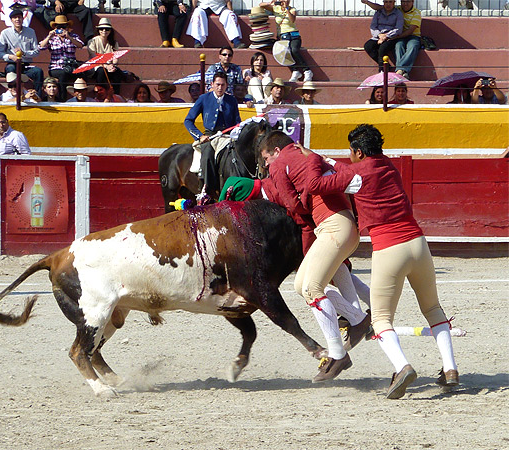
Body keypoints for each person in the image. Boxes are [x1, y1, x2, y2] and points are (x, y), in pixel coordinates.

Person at [305, 124, 459, 398]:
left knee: (380, 318)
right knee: (433, 308)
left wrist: (315, 161)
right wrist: (330, 161)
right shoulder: (389, 166)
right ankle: (450, 369)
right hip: (418, 244)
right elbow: (351, 171)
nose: (349, 156)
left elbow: (315, 185)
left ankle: (402, 367)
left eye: (351, 152)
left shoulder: (356, 173)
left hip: (390, 248)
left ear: (360, 152)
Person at [260, 131, 367, 382]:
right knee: (300, 285)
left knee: (310, 288)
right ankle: (358, 319)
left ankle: (338, 353)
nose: (266, 165)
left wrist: (302, 202)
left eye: (266, 159)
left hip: (332, 226)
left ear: (276, 151)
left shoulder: (279, 165)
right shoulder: (311, 156)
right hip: (344, 225)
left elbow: (293, 205)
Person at [184, 71, 241, 197]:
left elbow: (237, 122)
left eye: (222, 85)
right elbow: (188, 120)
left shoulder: (231, 100)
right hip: (209, 136)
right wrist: (200, 136)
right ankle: (206, 187)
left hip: (227, 136)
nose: (220, 88)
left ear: (226, 86)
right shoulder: (203, 99)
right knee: (208, 152)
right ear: (212, 84)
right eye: (217, 84)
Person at [362, 0, 421, 80]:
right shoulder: (396, 8)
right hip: (390, 36)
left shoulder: (415, 13)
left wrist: (390, 37)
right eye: (403, 1)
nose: (405, 4)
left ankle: (400, 69)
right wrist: (367, 2)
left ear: (413, 2)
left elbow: (410, 31)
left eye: (408, 1)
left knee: (412, 46)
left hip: (411, 35)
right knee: (398, 46)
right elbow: (378, 8)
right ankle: (400, 70)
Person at [259, 0, 312, 82]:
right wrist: (271, 3)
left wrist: (286, 9)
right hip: (283, 35)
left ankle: (307, 70)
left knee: (294, 50)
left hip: (294, 35)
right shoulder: (276, 9)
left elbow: (292, 20)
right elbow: (261, 5)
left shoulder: (292, 9)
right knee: (285, 51)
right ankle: (295, 71)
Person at [0, 9, 44, 96]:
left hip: (25, 64)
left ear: (23, 19)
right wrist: (10, 56)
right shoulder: (5, 33)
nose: (17, 19)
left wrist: (24, 53)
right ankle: (14, 95)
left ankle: (38, 96)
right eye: (15, 18)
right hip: (12, 63)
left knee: (38, 71)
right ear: (11, 20)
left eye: (19, 17)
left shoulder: (30, 32)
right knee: (10, 70)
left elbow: (36, 51)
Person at [38, 15, 84, 102]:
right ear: (55, 28)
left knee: (83, 73)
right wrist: (49, 36)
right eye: (59, 27)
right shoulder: (52, 38)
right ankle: (62, 100)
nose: (61, 29)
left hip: (71, 67)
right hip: (56, 67)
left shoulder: (73, 36)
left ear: (67, 27)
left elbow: (80, 45)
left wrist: (69, 37)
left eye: (64, 26)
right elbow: (40, 47)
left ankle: (81, 99)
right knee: (62, 74)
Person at [87, 18, 126, 94]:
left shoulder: (114, 43)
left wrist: (113, 65)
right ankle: (99, 94)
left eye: (107, 29)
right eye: (101, 29)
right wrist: (106, 66)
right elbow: (94, 57)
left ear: (110, 31)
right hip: (96, 67)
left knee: (117, 72)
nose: (104, 31)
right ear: (98, 30)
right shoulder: (92, 41)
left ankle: (116, 95)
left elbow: (115, 57)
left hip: (109, 66)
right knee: (101, 71)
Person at [363, 0, 403, 72]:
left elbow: (398, 29)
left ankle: (382, 70)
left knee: (382, 48)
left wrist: (386, 36)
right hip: (378, 36)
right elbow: (373, 26)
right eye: (386, 2)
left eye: (390, 2)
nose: (388, 4)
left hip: (391, 37)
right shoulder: (379, 12)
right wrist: (379, 35)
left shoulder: (398, 13)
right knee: (368, 46)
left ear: (394, 3)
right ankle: (386, 66)